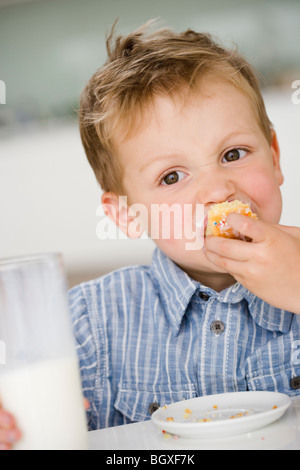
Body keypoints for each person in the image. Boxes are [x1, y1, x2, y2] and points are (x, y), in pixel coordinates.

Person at [1, 21, 300, 448]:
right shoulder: (88, 322)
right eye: (172, 176)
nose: (218, 190)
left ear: (273, 156)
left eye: (233, 154)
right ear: (125, 213)